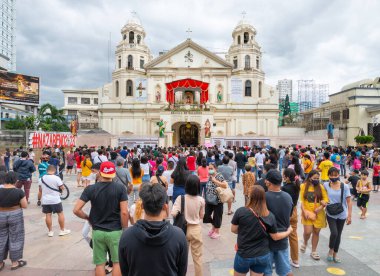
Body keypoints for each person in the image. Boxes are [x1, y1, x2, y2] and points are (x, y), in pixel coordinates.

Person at [119, 183, 188, 276]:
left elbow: (125, 271)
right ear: (165, 206)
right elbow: (182, 271)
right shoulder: (179, 236)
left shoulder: (126, 236)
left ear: (142, 206)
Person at [73, 161, 128, 276]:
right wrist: (125, 229)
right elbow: (124, 212)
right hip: (115, 231)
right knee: (117, 262)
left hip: (97, 231)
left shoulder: (90, 189)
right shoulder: (120, 188)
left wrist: (88, 218)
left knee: (100, 264)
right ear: (113, 174)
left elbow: (76, 210)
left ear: (100, 173)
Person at [231, 185, 293, 276]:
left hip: (244, 254)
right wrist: (289, 231)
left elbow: (233, 229)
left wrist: (245, 230)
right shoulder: (269, 215)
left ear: (250, 196)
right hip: (262, 255)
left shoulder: (241, 211)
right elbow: (275, 237)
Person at [172, 175, 205, 276]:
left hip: (182, 230)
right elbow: (201, 215)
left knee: (182, 259)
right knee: (197, 258)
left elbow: (173, 213)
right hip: (195, 229)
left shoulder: (180, 198)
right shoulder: (201, 200)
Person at [264, 169, 293, 276]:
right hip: (283, 240)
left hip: (267, 241)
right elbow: (289, 216)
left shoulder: (264, 197)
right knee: (285, 271)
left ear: (268, 182)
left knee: (265, 272)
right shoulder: (287, 196)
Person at [0, 172, 28, 271]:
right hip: (15, 214)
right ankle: (14, 262)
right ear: (15, 180)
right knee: (16, 237)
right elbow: (24, 205)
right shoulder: (19, 191)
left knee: (1, 237)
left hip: (1, 215)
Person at [324, 167, 352, 263]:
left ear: (338, 175)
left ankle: (335, 253)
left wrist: (349, 216)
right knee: (334, 233)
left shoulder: (345, 186)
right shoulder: (326, 185)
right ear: (328, 176)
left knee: (338, 234)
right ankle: (330, 250)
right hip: (330, 213)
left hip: (342, 213)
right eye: (331, 175)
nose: (333, 177)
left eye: (335, 175)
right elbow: (321, 196)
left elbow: (349, 201)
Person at [300, 170, 328, 261]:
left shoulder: (321, 187)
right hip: (307, 213)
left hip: (319, 213)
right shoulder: (303, 186)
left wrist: (320, 208)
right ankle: (305, 242)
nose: (316, 180)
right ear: (309, 178)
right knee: (307, 232)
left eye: (317, 178)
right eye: (314, 178)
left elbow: (325, 199)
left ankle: (314, 251)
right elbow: (302, 201)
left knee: (316, 232)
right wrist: (304, 212)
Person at [38, 165, 71, 237]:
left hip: (45, 200)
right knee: (60, 214)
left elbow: (40, 190)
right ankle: (62, 230)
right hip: (55, 200)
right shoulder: (56, 178)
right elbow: (62, 187)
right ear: (54, 171)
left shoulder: (41, 179)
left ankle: (50, 231)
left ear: (47, 171)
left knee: (48, 215)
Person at [281, 168, 301, 268]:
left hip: (285, 213)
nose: (282, 176)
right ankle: (295, 260)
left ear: (287, 177)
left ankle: (282, 258)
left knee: (282, 235)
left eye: (283, 175)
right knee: (293, 237)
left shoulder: (284, 188)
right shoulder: (296, 186)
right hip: (294, 212)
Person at [203, 163, 228, 239]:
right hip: (209, 199)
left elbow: (225, 185)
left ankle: (217, 231)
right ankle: (213, 227)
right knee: (207, 215)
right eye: (209, 168)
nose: (210, 170)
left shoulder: (219, 176)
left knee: (217, 216)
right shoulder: (209, 176)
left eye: (211, 168)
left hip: (218, 200)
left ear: (215, 168)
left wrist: (215, 181)